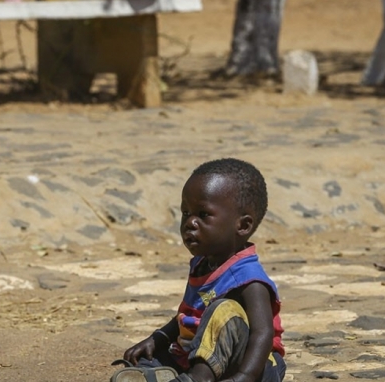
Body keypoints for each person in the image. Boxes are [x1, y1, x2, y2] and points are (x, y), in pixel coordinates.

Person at [121, 158, 286, 382]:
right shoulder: (202, 264)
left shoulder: (248, 279)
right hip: (196, 355)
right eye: (186, 213)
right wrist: (157, 339)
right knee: (145, 359)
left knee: (223, 309)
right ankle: (165, 374)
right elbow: (187, 317)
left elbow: (263, 334)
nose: (190, 223)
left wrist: (245, 376)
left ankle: (196, 378)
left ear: (243, 225)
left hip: (252, 365)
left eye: (203, 214)